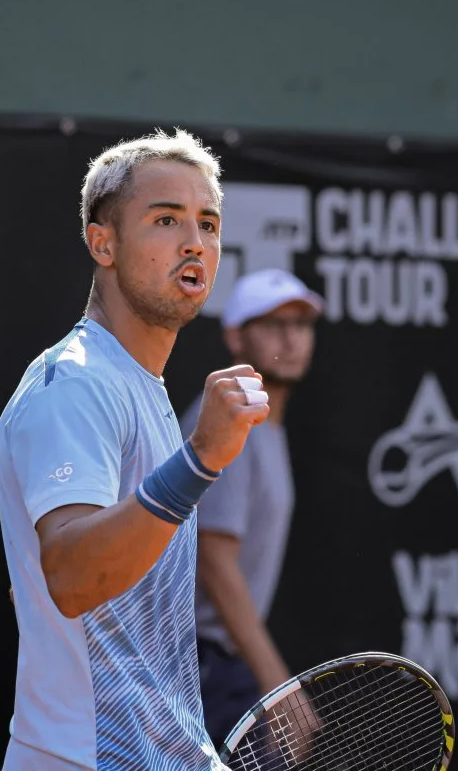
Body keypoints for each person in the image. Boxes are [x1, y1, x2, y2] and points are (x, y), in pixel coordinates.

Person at [0, 128, 271, 770]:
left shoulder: (133, 386)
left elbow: (51, 590)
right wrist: (199, 460)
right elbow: (68, 577)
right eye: (165, 219)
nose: (193, 241)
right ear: (103, 243)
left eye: (207, 222)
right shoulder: (78, 382)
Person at [179, 268, 323, 748]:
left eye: (302, 325)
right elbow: (215, 563)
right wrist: (279, 687)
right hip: (198, 667)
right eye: (274, 324)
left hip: (220, 664)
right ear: (236, 336)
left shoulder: (263, 422)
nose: (292, 337)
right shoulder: (229, 416)